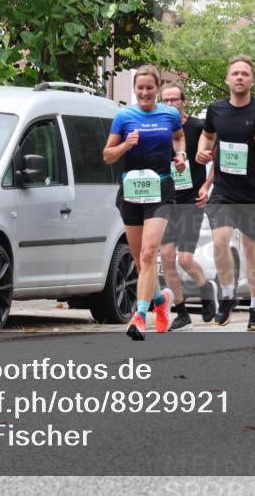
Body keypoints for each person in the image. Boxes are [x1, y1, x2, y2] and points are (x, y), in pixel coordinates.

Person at [196, 55, 255, 331]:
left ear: (252, 80)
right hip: (224, 190)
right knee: (220, 242)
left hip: (252, 192)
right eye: (235, 73)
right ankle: (227, 294)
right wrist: (203, 150)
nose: (239, 78)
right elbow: (208, 135)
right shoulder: (215, 109)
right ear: (227, 79)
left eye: (244, 74)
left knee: (251, 251)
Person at [103, 65, 187, 340]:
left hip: (161, 187)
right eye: (140, 88)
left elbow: (178, 137)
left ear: (157, 89)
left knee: (149, 253)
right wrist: (126, 145)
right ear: (135, 90)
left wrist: (181, 155)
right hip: (132, 189)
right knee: (141, 263)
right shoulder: (124, 117)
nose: (145, 92)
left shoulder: (170, 114)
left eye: (150, 88)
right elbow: (107, 156)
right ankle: (161, 302)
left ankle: (139, 317)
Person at [159, 81, 219, 331]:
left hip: (191, 199)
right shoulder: (159, 127)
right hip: (166, 198)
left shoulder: (198, 127)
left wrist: (207, 185)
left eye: (175, 100)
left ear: (184, 102)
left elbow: (221, 157)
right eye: (166, 101)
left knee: (184, 258)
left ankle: (206, 288)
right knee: (166, 255)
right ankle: (182, 313)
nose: (171, 105)